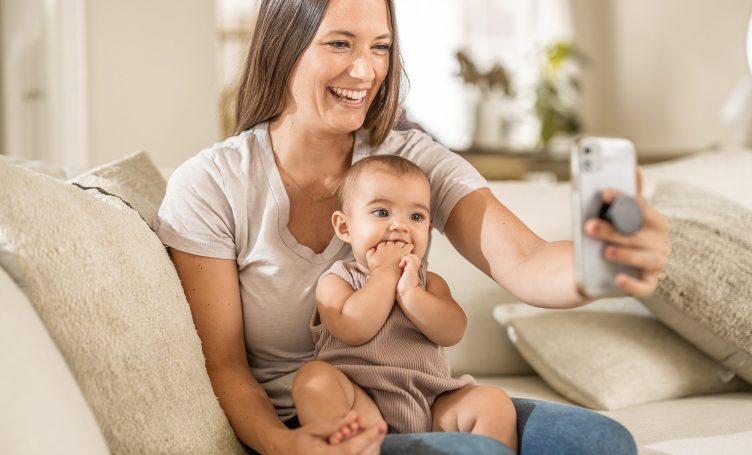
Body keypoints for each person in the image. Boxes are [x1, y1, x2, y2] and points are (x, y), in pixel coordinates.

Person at [152, 0, 668, 453]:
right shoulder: (212, 184)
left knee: (603, 442)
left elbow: (527, 262)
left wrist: (601, 264)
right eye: (340, 43)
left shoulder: (410, 163)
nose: (364, 70)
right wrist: (283, 445)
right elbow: (223, 366)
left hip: (419, 396)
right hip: (314, 421)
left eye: (380, 47)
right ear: (283, 47)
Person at [292, 155, 517, 451]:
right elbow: (353, 328)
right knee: (313, 380)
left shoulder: (428, 282)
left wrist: (412, 294)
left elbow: (452, 332)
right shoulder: (337, 280)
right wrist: (385, 273)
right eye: (382, 212)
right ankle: (355, 449)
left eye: (416, 217)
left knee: (494, 402)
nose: (399, 226)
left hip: (431, 402)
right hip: (360, 403)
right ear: (345, 227)